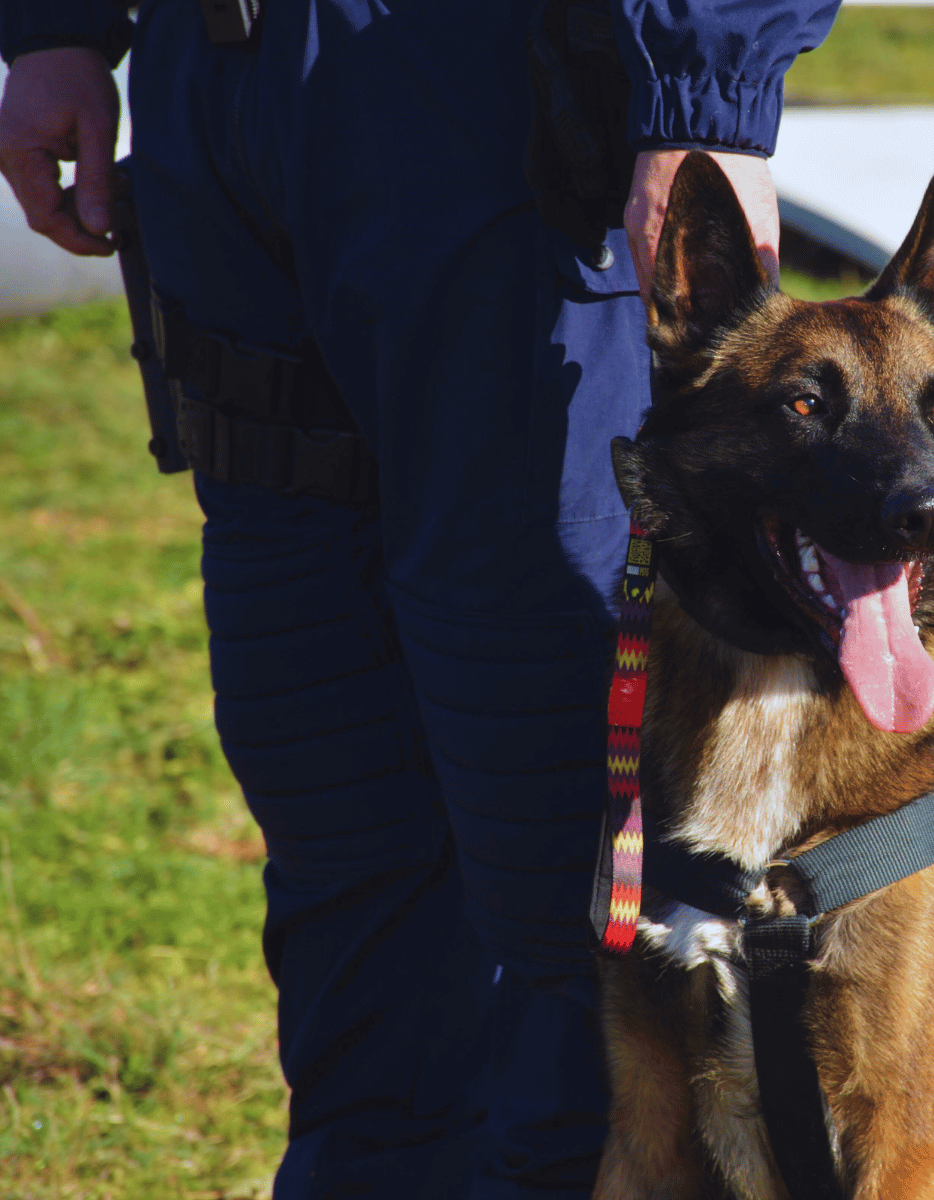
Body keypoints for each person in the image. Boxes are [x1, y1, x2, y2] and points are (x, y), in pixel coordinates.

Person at [0, 1, 837, 1195]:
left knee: (559, 827)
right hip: (225, 104)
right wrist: (56, 27)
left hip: (487, 101)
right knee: (332, 788)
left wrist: (709, 98)